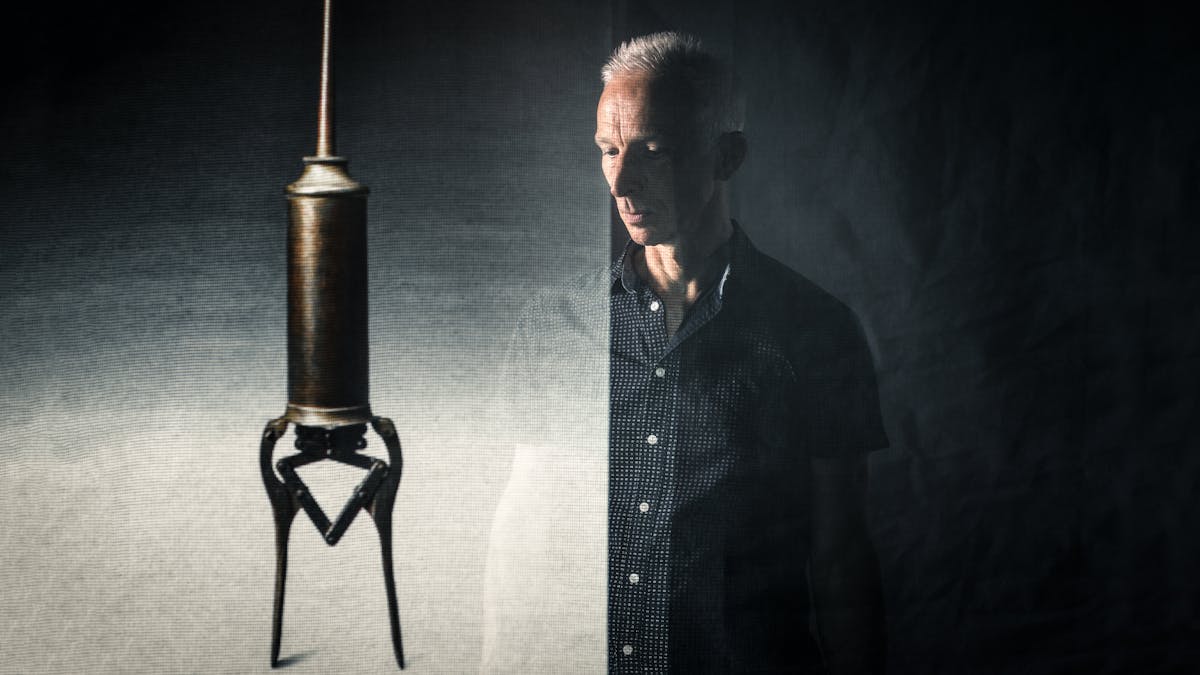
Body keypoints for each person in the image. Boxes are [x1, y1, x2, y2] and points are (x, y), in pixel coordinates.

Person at [483, 31, 888, 674]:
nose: (620, 180)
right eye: (608, 152)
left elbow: (841, 560)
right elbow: (522, 543)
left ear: (726, 156)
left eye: (654, 151)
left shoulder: (817, 331)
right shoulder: (553, 329)